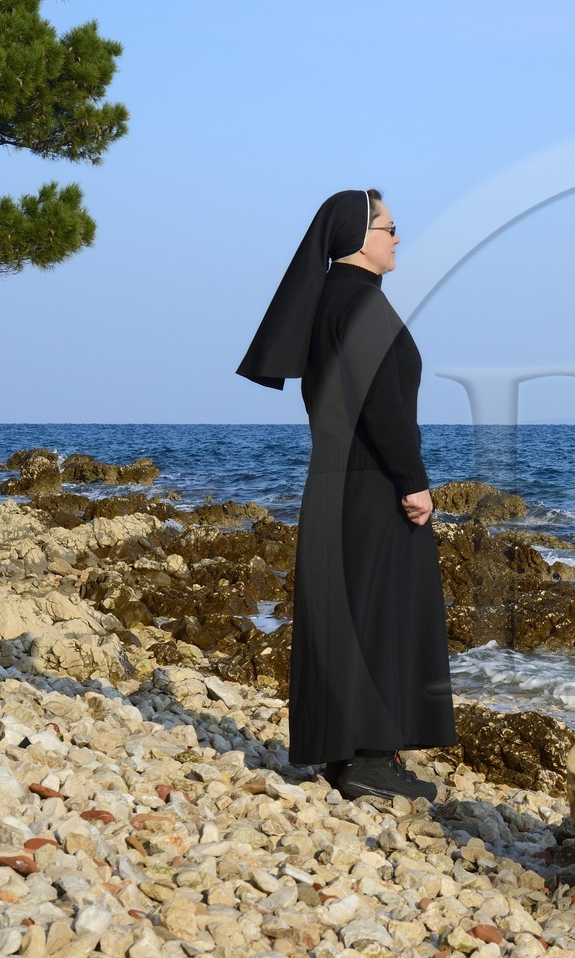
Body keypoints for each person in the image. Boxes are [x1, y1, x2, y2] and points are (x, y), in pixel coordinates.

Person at [236, 189, 454, 800]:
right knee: (376, 614)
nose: (397, 237)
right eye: (389, 226)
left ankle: (355, 755)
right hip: (369, 484)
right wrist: (413, 482)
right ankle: (365, 761)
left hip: (339, 479)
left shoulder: (337, 299)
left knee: (353, 613)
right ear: (359, 236)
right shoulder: (357, 303)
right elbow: (381, 405)